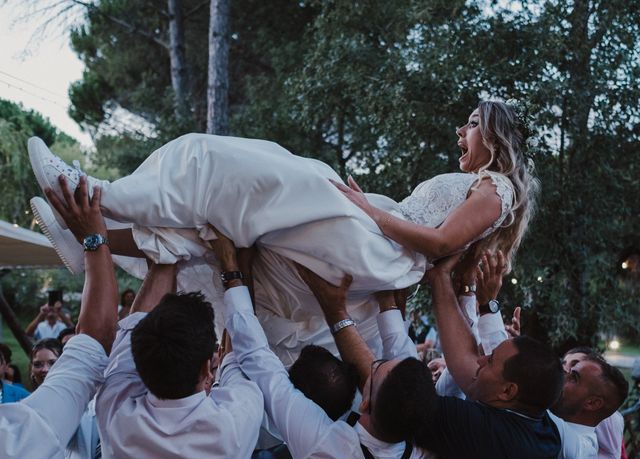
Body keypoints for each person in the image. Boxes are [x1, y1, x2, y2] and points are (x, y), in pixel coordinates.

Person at [29, 100, 538, 364]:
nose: (460, 131)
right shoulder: (486, 189)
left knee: (225, 167)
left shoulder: (496, 187)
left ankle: (95, 194)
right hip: (377, 244)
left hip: (377, 246)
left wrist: (370, 209)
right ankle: (88, 234)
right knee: (223, 225)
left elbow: (444, 245)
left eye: (471, 123)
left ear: (493, 134)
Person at [208, 227, 437, 459]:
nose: (371, 362)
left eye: (373, 368)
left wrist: (232, 266)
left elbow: (259, 361)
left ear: (364, 401)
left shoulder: (322, 445)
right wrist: (388, 301)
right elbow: (404, 373)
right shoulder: (426, 457)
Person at [94, 261, 263, 459]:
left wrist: (167, 249)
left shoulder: (114, 412)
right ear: (206, 368)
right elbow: (240, 347)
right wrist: (233, 264)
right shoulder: (232, 427)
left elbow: (238, 352)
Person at [0, 178, 118, 459]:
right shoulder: (17, 437)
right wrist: (93, 239)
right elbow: (93, 344)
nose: (42, 369)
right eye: (38, 364)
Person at [419, 253, 564, 459]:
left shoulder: (478, 431)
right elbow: (466, 361)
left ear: (508, 391)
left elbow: (393, 389)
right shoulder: (542, 426)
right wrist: (469, 290)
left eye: (490, 360)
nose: (481, 359)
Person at [557, 348, 628, 459]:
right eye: (564, 364)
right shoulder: (583, 438)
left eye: (573, 378)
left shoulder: (571, 444)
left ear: (592, 403)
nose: (564, 373)